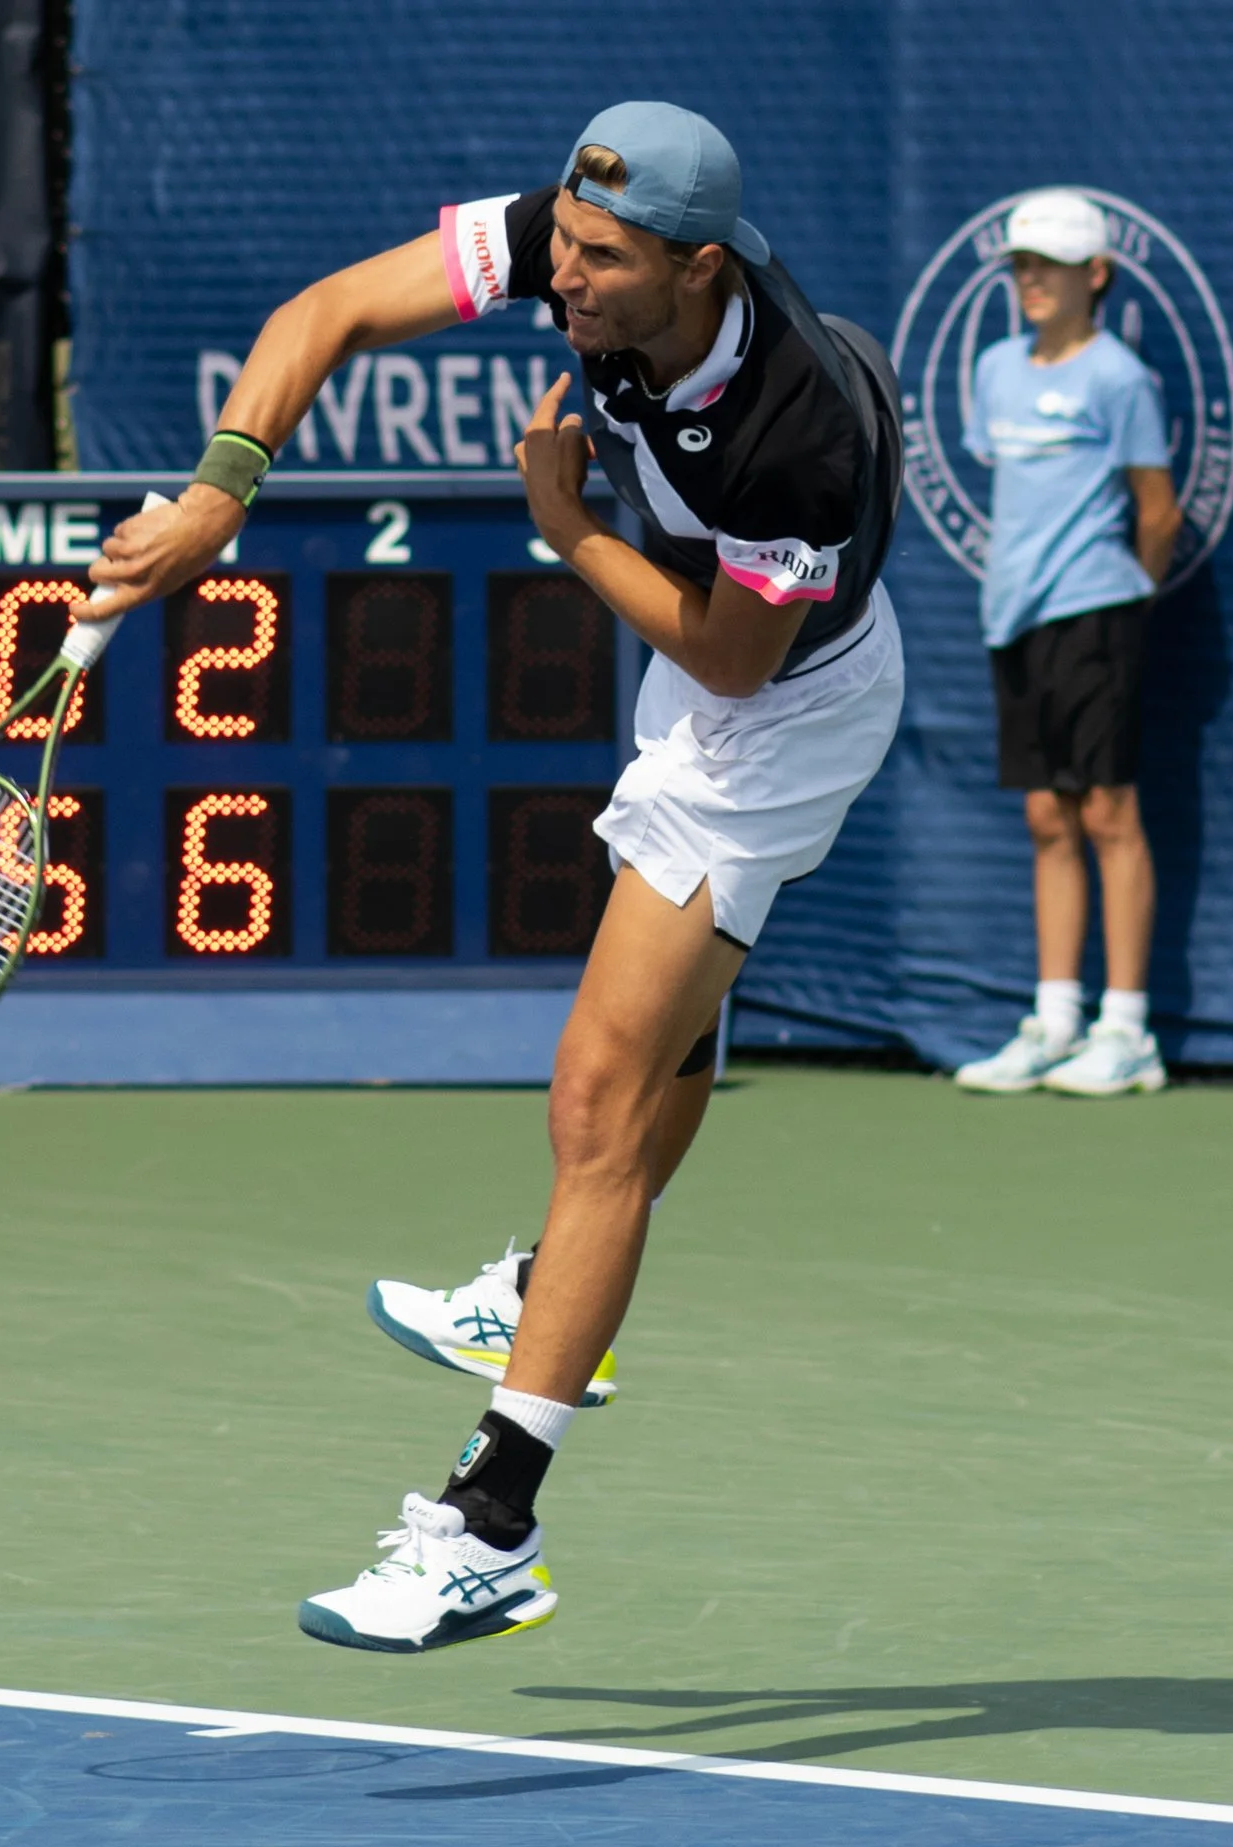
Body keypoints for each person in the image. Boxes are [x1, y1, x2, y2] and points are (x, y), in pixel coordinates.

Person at [80, 101, 904, 1652]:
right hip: (717, 667)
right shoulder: (574, 239)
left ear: (700, 264)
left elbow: (733, 661)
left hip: (778, 708)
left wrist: (567, 528)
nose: (564, 278)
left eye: (601, 261)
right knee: (656, 1053)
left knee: (595, 1093)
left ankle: (488, 1527)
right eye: (564, 248)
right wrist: (217, 493)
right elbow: (323, 312)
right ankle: (548, 1286)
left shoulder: (793, 429)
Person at [951, 190, 1184, 1098]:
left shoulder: (1120, 378)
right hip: (1011, 617)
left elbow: (1156, 511)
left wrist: (1124, 597)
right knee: (1047, 816)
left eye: (1047, 265)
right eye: (1019, 265)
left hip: (1095, 613)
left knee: (1106, 812)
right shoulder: (996, 368)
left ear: (1096, 275)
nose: (1029, 280)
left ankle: (1127, 1030)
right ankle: (1055, 1022)